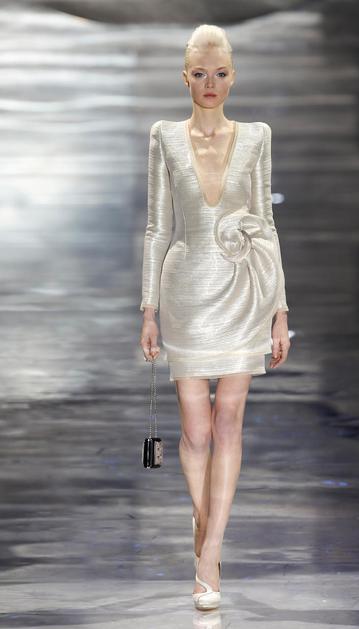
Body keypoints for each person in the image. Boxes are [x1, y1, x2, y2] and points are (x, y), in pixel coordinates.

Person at [139, 24, 291, 610]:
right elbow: (158, 228)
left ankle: (210, 556)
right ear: (185, 78)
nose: (211, 83)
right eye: (200, 73)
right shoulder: (164, 137)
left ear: (233, 77)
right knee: (195, 431)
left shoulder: (256, 137)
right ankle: (205, 524)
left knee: (229, 423)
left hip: (244, 288)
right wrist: (149, 310)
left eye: (220, 73)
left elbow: (266, 227)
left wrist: (280, 310)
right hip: (185, 293)